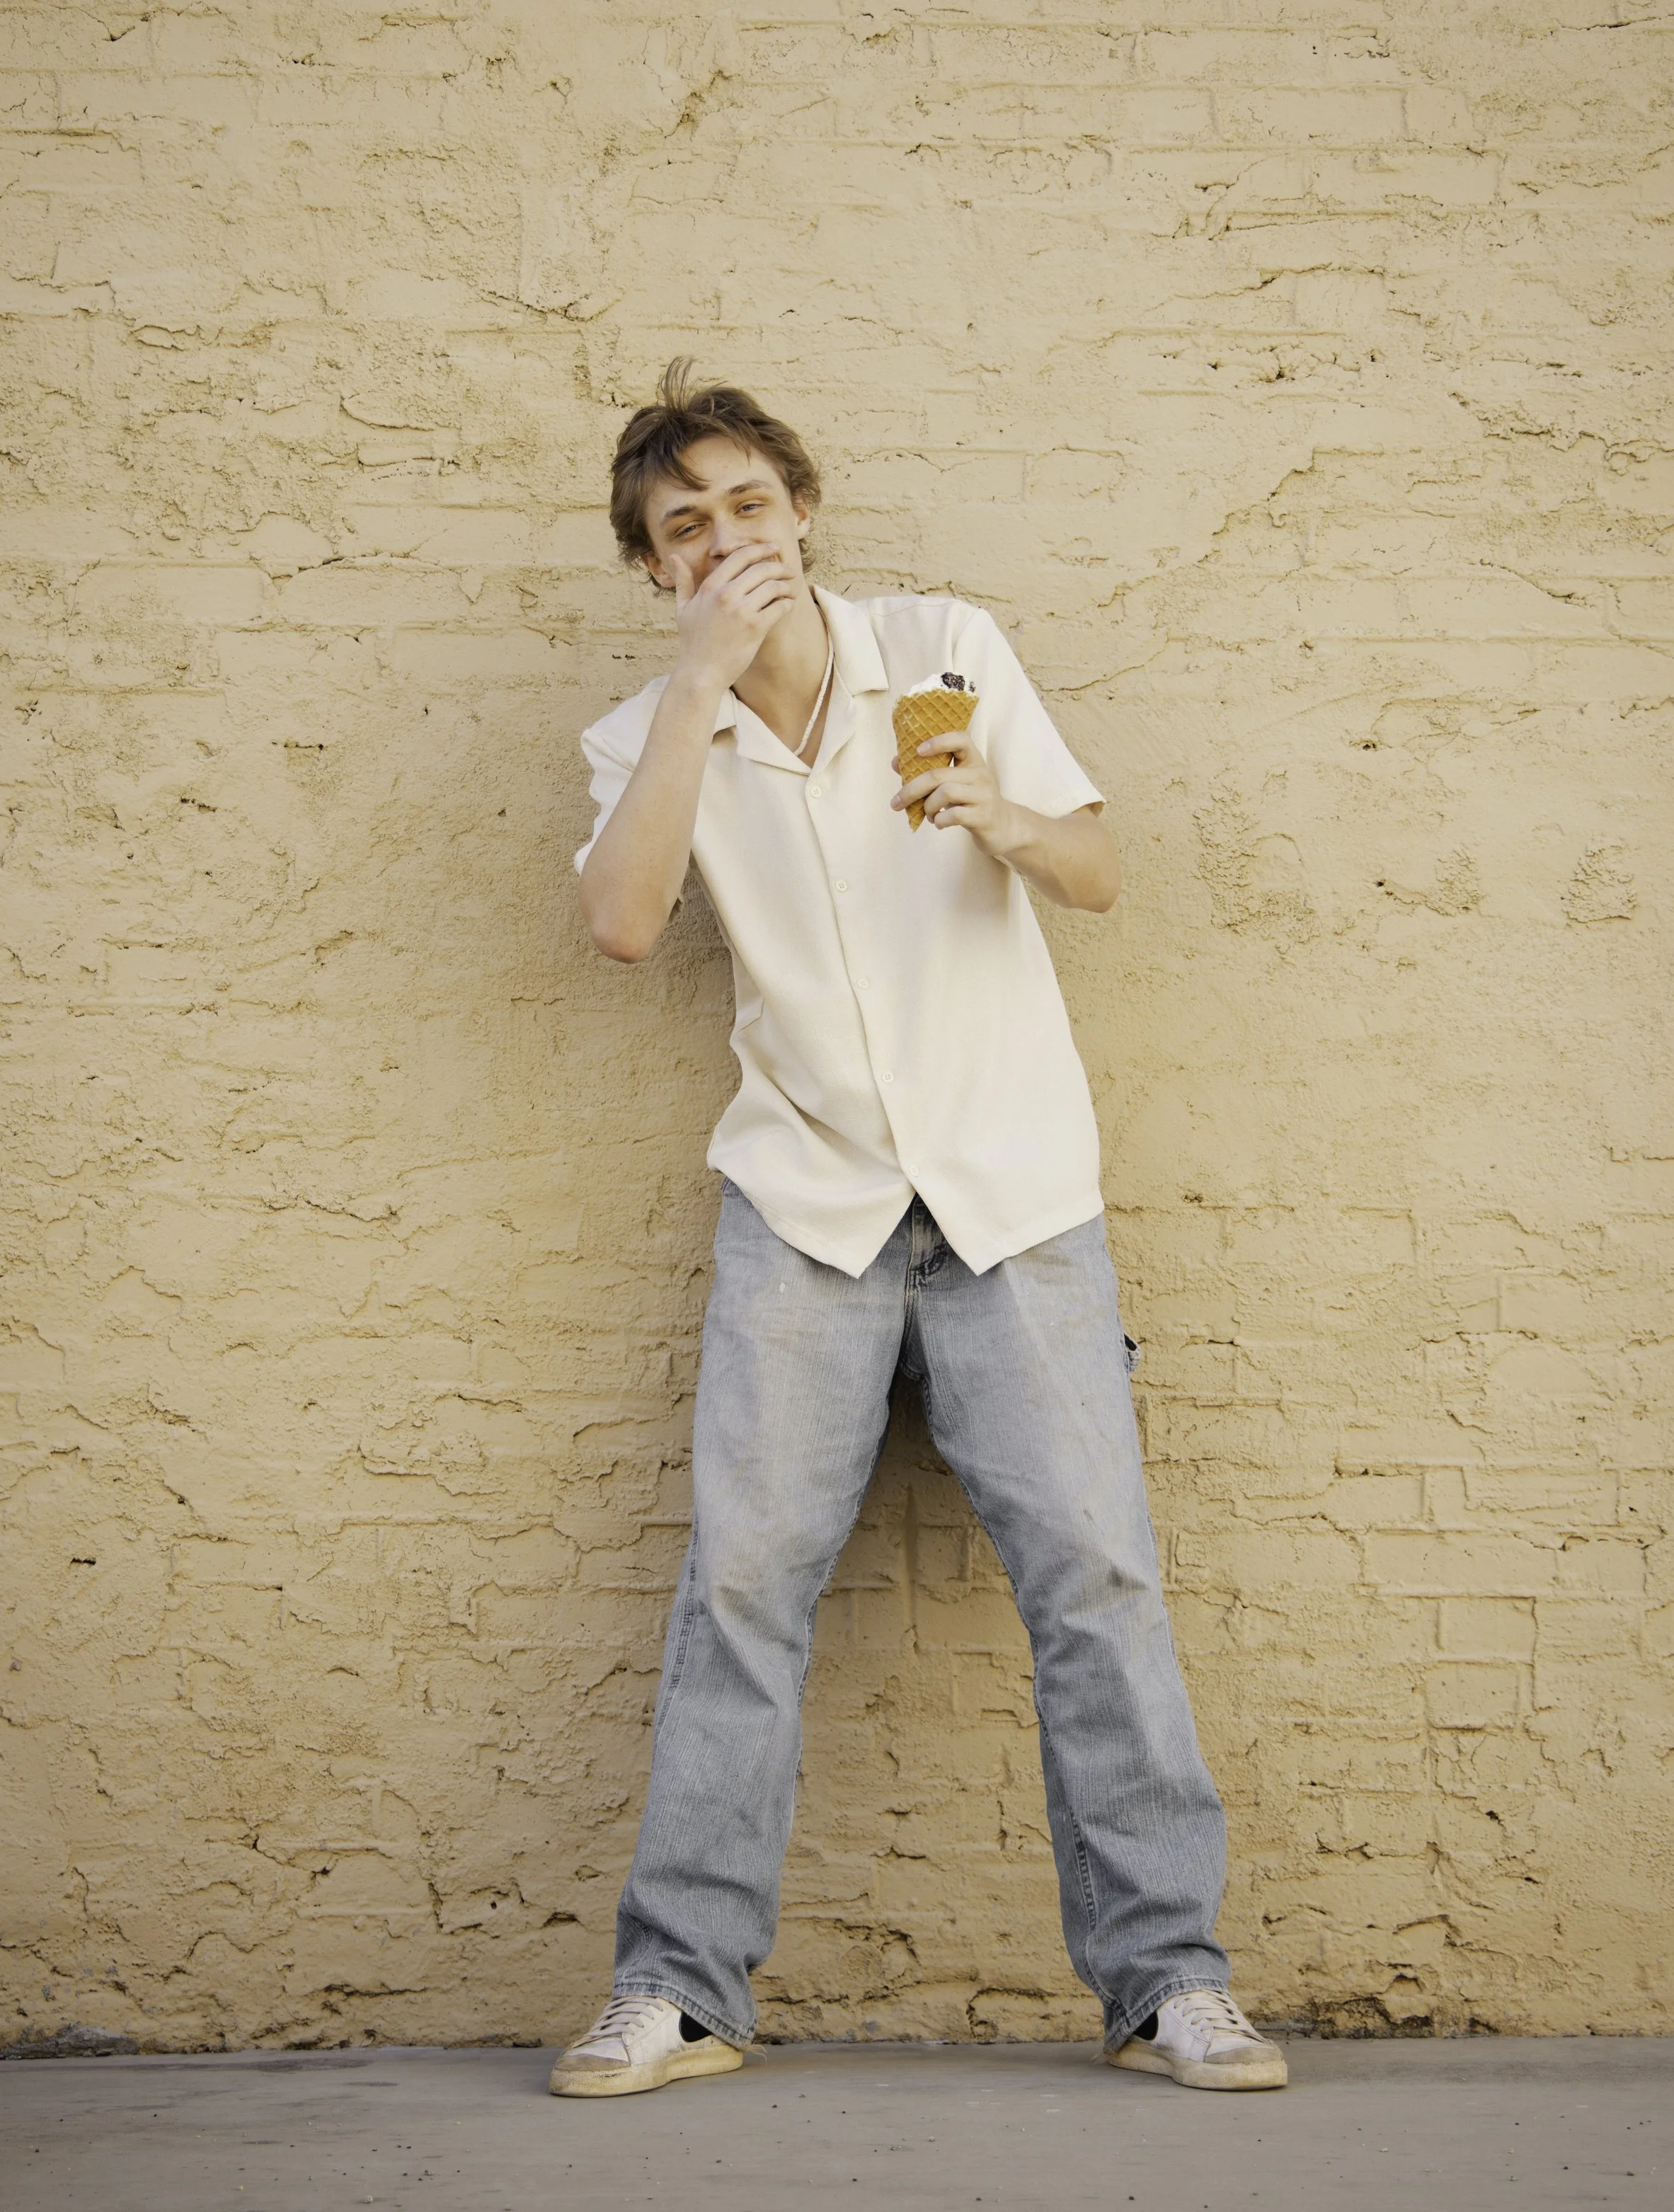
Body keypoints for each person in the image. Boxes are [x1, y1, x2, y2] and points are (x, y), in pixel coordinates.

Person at [550, 362, 1287, 2100]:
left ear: (798, 509)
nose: (724, 541)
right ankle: (677, 1990)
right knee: (738, 1587)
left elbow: (1098, 867)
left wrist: (1008, 823)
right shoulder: (652, 729)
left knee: (1096, 1581)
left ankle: (1169, 1980)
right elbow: (620, 922)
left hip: (1011, 1194)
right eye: (683, 530)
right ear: (656, 571)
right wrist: (690, 698)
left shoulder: (944, 647)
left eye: (744, 505)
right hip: (803, 1203)